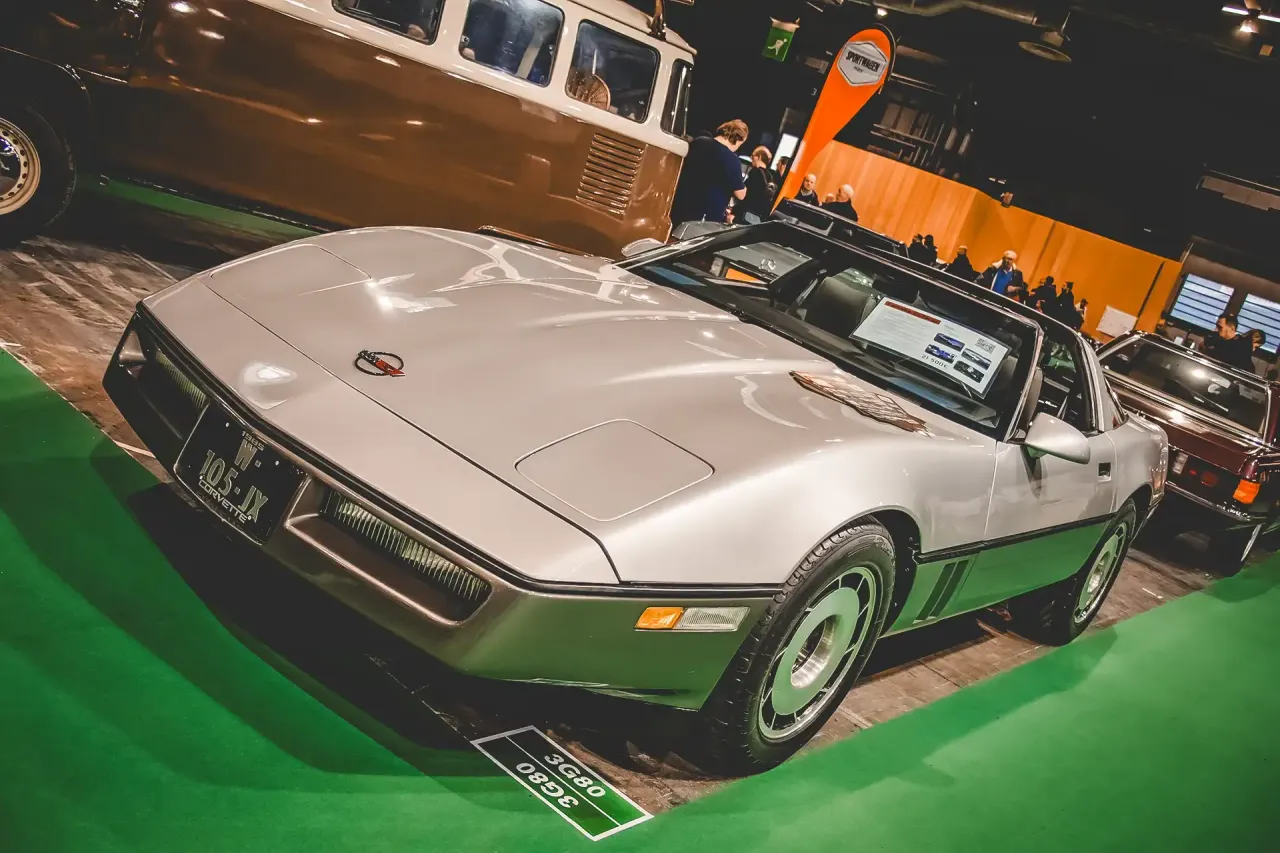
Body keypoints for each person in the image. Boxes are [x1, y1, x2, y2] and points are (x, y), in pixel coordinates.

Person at [670, 119, 749, 225]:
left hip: (679, 204)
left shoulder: (698, 142)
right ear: (739, 139)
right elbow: (740, 195)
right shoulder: (731, 159)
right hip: (704, 217)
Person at [738, 145, 777, 224]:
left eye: (753, 155)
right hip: (758, 216)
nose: (751, 157)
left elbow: (747, 195)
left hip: (747, 213)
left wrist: (735, 212)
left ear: (759, 157)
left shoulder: (755, 172)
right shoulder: (770, 176)